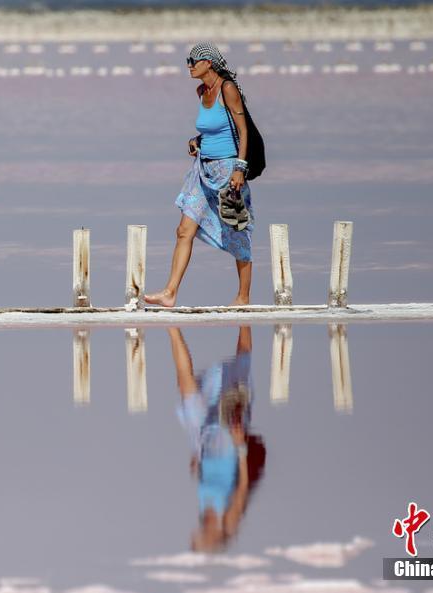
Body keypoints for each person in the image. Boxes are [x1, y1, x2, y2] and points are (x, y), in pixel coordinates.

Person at [146, 43, 255, 308]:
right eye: (188, 60)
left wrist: (240, 169)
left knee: (236, 230)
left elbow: (243, 131)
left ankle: (242, 297)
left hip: (229, 172)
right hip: (203, 171)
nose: (189, 65)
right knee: (184, 230)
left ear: (209, 63)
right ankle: (170, 292)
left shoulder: (227, 89)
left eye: (193, 60)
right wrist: (198, 141)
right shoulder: (201, 91)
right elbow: (212, 129)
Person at [168, 326, 267, 552]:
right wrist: (241, 447)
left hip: (203, 446)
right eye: (197, 541)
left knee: (186, 390)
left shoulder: (204, 514)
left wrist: (198, 463)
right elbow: (241, 488)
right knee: (240, 373)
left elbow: (212, 482)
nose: (195, 535)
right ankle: (245, 318)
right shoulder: (228, 524)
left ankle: (172, 329)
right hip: (226, 445)